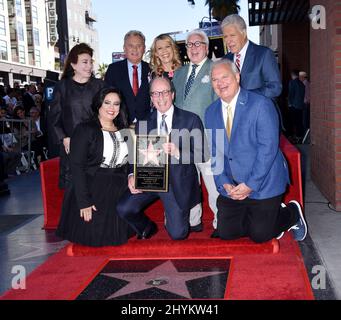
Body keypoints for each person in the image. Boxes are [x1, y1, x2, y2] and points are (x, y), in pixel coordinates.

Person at [205, 59, 307, 243]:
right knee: (227, 232)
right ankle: (259, 216)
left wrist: (250, 185)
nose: (220, 83)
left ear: (237, 77)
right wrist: (224, 182)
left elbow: (267, 150)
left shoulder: (261, 104)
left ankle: (291, 213)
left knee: (260, 235)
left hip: (264, 181)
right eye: (214, 79)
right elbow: (215, 152)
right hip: (233, 185)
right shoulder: (211, 112)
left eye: (225, 77)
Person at [117, 77, 207, 241]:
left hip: (176, 183)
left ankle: (176, 218)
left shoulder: (190, 119)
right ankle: (147, 227)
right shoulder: (143, 122)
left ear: (172, 94)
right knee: (124, 208)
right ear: (151, 98)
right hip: (149, 179)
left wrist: (178, 151)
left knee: (178, 234)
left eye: (165, 92)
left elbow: (202, 153)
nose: (161, 97)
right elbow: (134, 154)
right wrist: (131, 175)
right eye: (156, 94)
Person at [56, 87, 134, 247]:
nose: (112, 108)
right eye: (107, 103)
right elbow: (76, 167)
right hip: (94, 187)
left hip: (120, 186)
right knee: (95, 236)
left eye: (116, 104)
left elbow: (131, 161)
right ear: (98, 104)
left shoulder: (125, 130)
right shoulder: (85, 129)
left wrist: (131, 176)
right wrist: (84, 201)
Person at [172, 29, 219, 234]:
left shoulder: (216, 69)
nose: (193, 48)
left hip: (207, 137)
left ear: (207, 48)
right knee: (187, 182)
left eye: (198, 43)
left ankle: (221, 221)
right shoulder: (180, 72)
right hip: (182, 139)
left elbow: (220, 105)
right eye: (189, 45)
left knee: (212, 182)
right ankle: (193, 220)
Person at [50, 43, 105, 188]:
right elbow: (54, 117)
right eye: (84, 62)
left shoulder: (100, 86)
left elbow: (108, 113)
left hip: (96, 146)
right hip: (71, 146)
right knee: (74, 192)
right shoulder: (62, 87)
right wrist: (63, 137)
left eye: (90, 62)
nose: (89, 66)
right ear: (73, 65)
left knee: (97, 190)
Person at [222, 14, 282, 100]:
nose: (228, 41)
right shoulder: (225, 60)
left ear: (244, 33)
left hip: (259, 111)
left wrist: (246, 95)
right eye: (225, 36)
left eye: (232, 35)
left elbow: (275, 88)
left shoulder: (264, 54)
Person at [105, 30, 151, 124]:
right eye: (130, 45)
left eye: (139, 45)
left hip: (146, 125)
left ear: (144, 48)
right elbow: (107, 99)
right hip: (120, 124)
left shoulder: (152, 69)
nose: (135, 49)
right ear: (124, 48)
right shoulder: (113, 70)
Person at [288, 70, 305, 143]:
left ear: (292, 75)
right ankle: (299, 136)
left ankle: (291, 136)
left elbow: (291, 93)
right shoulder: (302, 84)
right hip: (300, 105)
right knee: (299, 122)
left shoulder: (292, 82)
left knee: (291, 121)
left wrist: (290, 103)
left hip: (294, 105)